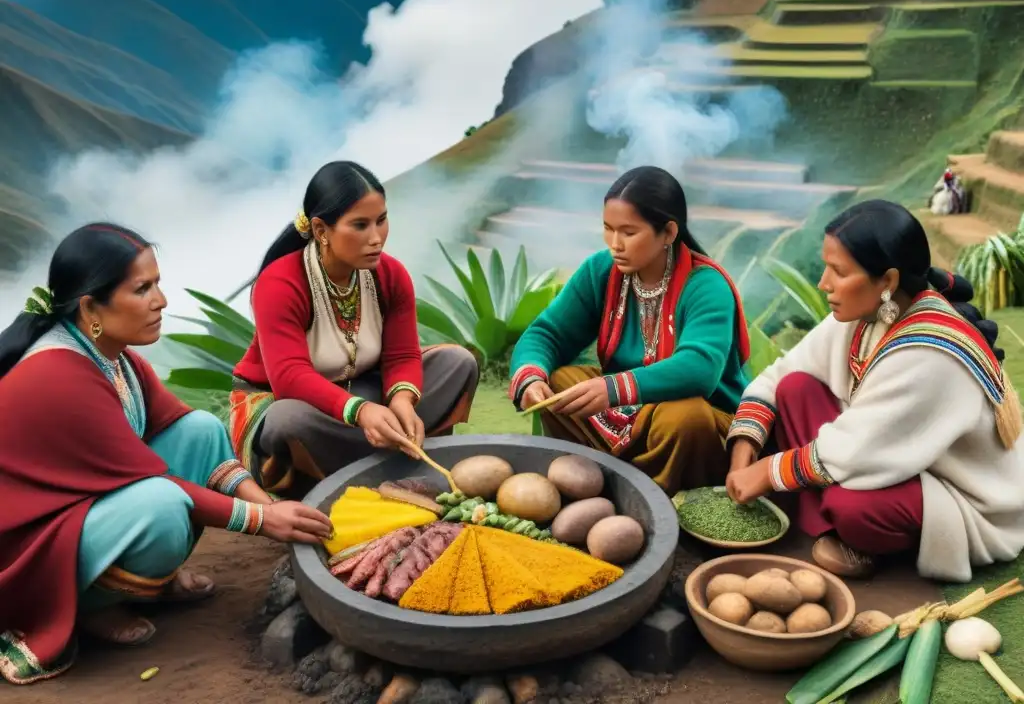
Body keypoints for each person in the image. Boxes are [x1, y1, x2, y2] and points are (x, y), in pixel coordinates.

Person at [0, 223, 334, 686]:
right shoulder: (58, 374)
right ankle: (90, 606)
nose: (161, 300)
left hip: (80, 506)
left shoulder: (110, 354)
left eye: (157, 284)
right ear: (90, 307)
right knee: (161, 507)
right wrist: (263, 521)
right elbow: (152, 482)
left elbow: (181, 431)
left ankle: (146, 583)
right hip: (30, 545)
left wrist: (269, 504)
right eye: (142, 289)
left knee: (199, 429)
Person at [725, 200, 1024, 582]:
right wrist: (743, 450)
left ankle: (860, 539)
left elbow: (855, 449)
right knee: (794, 388)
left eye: (838, 271)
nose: (823, 284)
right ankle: (828, 521)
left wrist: (768, 471)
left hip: (956, 492)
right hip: (890, 454)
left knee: (851, 506)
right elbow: (778, 374)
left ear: (888, 281)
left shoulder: (928, 353)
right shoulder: (871, 313)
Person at [230, 160, 479, 497]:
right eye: (360, 225)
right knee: (288, 420)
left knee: (457, 363)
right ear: (321, 231)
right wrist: (360, 412)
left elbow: (402, 354)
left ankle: (389, 456)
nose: (376, 238)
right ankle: (362, 474)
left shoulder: (390, 275)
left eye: (381, 220)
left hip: (364, 390)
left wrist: (403, 402)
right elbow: (289, 377)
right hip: (294, 404)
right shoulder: (280, 283)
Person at [508, 166, 752, 495]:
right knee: (559, 384)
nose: (615, 244)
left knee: (684, 416)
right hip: (627, 412)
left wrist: (614, 388)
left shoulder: (706, 285)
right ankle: (592, 480)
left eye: (629, 232)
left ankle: (658, 498)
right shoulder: (601, 270)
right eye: (608, 229)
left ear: (668, 232)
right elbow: (547, 334)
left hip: (701, 422)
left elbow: (700, 369)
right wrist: (531, 377)